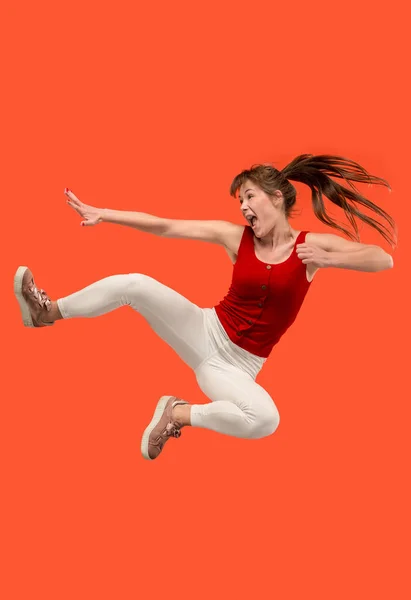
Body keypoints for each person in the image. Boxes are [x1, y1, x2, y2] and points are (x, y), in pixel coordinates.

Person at [14, 154, 397, 460]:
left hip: (236, 367)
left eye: (250, 197)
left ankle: (177, 414)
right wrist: (104, 214)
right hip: (204, 329)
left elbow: (383, 259)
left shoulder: (310, 248)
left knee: (266, 420)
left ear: (276, 198)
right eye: (240, 201)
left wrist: (330, 260)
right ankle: (48, 312)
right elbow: (166, 226)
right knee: (134, 284)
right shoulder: (235, 237)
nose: (244, 208)